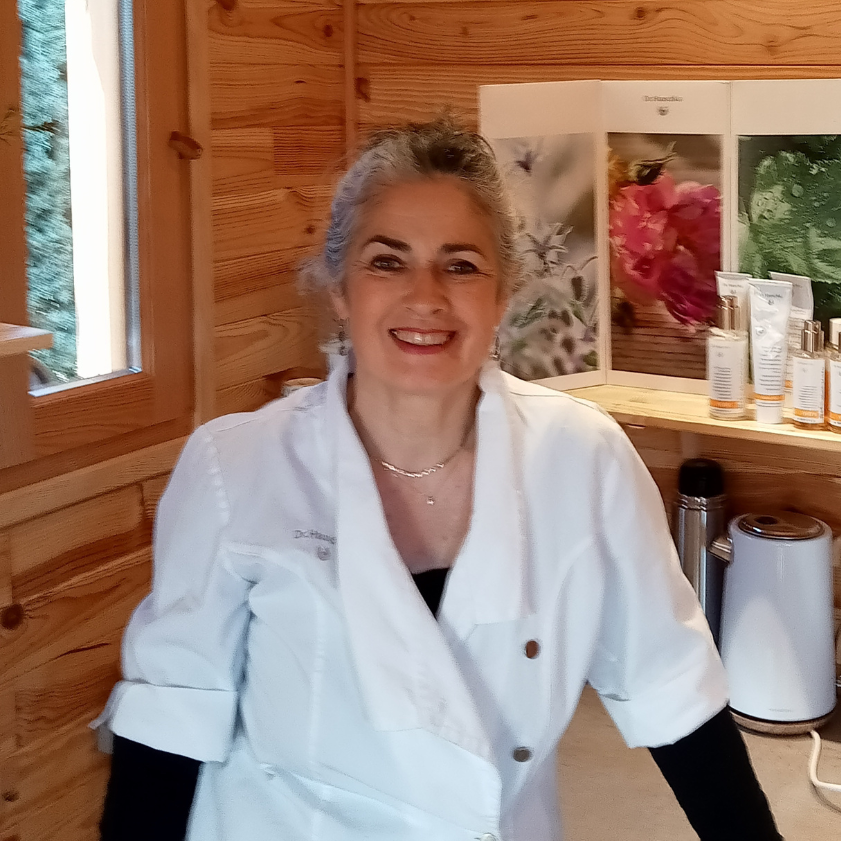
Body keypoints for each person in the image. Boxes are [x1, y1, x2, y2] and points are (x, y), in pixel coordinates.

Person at [97, 117, 783, 841]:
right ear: (338, 288)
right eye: (386, 261)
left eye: (460, 265)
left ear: (502, 293)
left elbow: (673, 691)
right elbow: (168, 723)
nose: (424, 296)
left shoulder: (581, 458)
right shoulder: (236, 468)